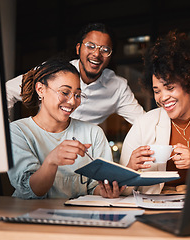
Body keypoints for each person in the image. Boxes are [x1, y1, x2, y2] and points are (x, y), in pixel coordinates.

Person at [119, 31, 190, 194]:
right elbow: (121, 189)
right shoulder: (144, 124)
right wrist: (130, 168)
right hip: (155, 207)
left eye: (170, 87)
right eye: (156, 90)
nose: (163, 97)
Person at [7, 57, 126, 199]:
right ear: (40, 89)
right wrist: (52, 161)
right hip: (31, 216)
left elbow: (94, 187)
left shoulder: (93, 133)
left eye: (77, 95)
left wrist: (105, 191)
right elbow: (31, 191)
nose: (72, 101)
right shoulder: (17, 131)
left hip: (79, 217)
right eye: (64, 92)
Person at [6, 23, 145, 124]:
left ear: (110, 55)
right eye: (91, 46)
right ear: (78, 48)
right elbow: (7, 91)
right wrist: (5, 133)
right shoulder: (52, 71)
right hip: (45, 147)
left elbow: (143, 122)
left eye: (105, 50)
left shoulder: (118, 87)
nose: (96, 54)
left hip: (81, 156)